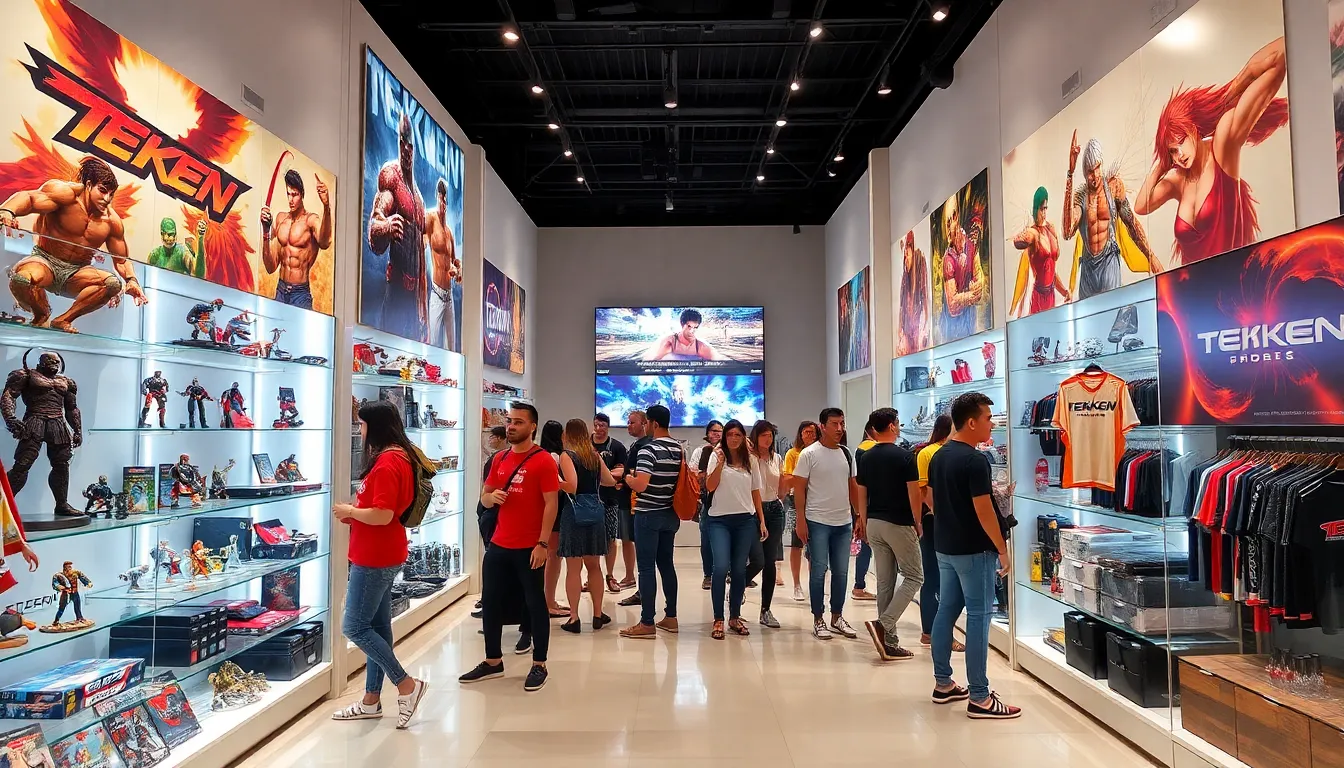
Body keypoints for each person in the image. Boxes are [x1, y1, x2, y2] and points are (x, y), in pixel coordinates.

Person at [1136, 38, 1288, 267]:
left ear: (1194, 129)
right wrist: (1163, 163)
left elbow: (1277, 58)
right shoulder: (1178, 179)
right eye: (1173, 151)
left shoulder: (1222, 148)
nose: (1180, 156)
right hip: (1189, 294)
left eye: (1181, 142)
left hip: (1231, 287)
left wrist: (1233, 88)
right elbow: (1141, 206)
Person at [332, 400, 431, 727]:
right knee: (376, 628)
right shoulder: (395, 457)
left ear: (373, 426)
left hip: (375, 556)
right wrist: (356, 514)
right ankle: (371, 700)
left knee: (355, 627)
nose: (359, 431)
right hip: (379, 551)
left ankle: (407, 685)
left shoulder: (389, 462)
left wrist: (350, 512)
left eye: (361, 425)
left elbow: (384, 514)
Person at [928, 393, 1019, 719]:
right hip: (974, 549)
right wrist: (1003, 549)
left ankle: (943, 683)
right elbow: (984, 511)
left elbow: (933, 499)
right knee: (979, 617)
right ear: (971, 422)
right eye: (988, 418)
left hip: (946, 546)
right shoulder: (975, 460)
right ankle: (980, 697)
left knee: (946, 611)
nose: (991, 423)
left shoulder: (939, 455)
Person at [461, 403, 558, 693]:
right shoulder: (500, 458)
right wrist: (491, 500)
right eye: (509, 421)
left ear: (532, 427)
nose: (511, 426)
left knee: (535, 603)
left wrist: (543, 543)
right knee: (490, 602)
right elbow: (485, 495)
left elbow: (551, 504)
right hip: (499, 544)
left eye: (518, 422)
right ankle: (493, 661)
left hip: (530, 546)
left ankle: (539, 664)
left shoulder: (542, 461)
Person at [0, 156, 148, 332]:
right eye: (102, 191)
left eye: (111, 194)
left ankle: (63, 320)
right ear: (88, 185)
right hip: (45, 261)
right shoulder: (65, 195)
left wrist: (131, 280)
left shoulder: (111, 221)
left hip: (77, 272)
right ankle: (41, 314)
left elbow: (121, 260)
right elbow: (30, 199)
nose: (107, 199)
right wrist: (7, 211)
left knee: (112, 284)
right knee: (21, 279)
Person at [855, 408, 923, 661]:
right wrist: (917, 521)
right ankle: (884, 624)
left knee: (885, 582)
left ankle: (889, 642)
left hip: (874, 521)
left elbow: (862, 491)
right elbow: (913, 492)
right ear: (893, 427)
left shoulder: (866, 457)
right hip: (899, 522)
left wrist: (862, 518)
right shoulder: (905, 456)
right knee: (915, 576)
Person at [1063, 131, 1160, 301]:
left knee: (1111, 313)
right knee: (1088, 321)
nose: (1095, 176)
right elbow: (1067, 231)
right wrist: (1070, 174)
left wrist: (1150, 256)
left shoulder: (1114, 187)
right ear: (1085, 173)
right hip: (1088, 268)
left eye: (1098, 168)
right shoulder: (1080, 196)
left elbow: (1131, 224)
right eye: (1090, 172)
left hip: (1109, 261)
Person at [792, 408, 859, 640]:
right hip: (817, 520)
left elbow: (852, 486)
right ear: (823, 426)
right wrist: (800, 519)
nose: (839, 429)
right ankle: (818, 617)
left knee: (841, 572)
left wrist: (859, 516)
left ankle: (837, 615)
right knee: (819, 571)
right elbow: (799, 489)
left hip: (843, 522)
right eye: (834, 424)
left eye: (842, 423)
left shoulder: (846, 453)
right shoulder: (809, 454)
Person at [619, 404, 682, 639]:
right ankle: (671, 617)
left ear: (653, 424)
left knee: (645, 568)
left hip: (647, 514)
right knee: (666, 564)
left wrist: (627, 477)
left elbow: (641, 484)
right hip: (670, 514)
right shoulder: (678, 448)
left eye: (646, 423)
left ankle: (647, 623)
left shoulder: (649, 449)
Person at [702, 420, 766, 639]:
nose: (733, 439)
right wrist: (720, 463)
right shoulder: (716, 456)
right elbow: (710, 486)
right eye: (730, 435)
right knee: (720, 567)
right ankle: (718, 618)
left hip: (745, 520)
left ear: (743, 437)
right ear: (724, 437)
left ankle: (734, 616)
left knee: (739, 570)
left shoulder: (752, 461)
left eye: (738, 435)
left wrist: (761, 519)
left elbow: (756, 491)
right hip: (719, 520)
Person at [368, 113, 429, 342]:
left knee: (410, 362)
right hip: (395, 287)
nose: (405, 148)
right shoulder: (391, 177)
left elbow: (421, 259)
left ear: (414, 148)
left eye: (409, 144)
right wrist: (386, 226)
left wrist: (423, 303)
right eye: (401, 142)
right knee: (388, 349)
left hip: (413, 297)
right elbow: (374, 225)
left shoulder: (420, 201)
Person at [558, 420, 616, 633]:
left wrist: (555, 480)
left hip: (574, 514)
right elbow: (609, 481)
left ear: (567, 434)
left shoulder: (567, 456)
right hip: (595, 514)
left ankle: (574, 618)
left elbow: (571, 486)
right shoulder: (594, 455)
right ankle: (598, 614)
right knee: (594, 566)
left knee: (573, 569)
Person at [916, 415, 962, 652]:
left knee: (938, 578)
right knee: (937, 578)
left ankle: (933, 632)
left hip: (942, 521)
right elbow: (924, 491)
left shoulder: (949, 452)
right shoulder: (929, 453)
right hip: (936, 521)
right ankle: (933, 632)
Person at [260, 169, 331, 310]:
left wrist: (326, 206)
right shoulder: (281, 219)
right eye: (288, 194)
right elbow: (270, 267)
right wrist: (266, 231)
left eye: (295, 195)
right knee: (275, 331)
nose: (291, 200)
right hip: (280, 291)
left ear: (302, 195)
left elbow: (324, 242)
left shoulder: (311, 220)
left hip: (300, 294)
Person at [747, 420, 786, 628]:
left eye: (770, 435)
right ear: (756, 436)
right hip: (753, 510)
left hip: (775, 509)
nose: (768, 439)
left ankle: (765, 609)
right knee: (757, 559)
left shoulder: (777, 458)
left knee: (770, 561)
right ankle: (737, 585)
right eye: (763, 435)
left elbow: (780, 488)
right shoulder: (749, 458)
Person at [1010, 187, 1068, 318]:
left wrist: (1064, 292)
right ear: (1035, 209)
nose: (1043, 213)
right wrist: (1021, 238)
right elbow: (1018, 241)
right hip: (1038, 296)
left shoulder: (1051, 229)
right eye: (1041, 209)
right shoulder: (1033, 233)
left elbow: (1051, 270)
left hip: (1051, 294)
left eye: (1045, 208)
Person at [939, 192, 987, 344]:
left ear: (956, 217)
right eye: (946, 224)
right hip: (952, 328)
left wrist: (977, 287)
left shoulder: (971, 247)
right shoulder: (948, 259)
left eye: (950, 222)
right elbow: (952, 304)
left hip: (969, 323)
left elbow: (979, 280)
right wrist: (970, 295)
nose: (949, 229)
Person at [592, 413, 631, 592]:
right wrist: (608, 475)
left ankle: (610, 575)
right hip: (588, 500)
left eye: (603, 425)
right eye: (596, 425)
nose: (599, 429)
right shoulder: (585, 445)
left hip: (610, 500)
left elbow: (620, 472)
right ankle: (592, 576)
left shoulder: (617, 447)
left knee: (610, 539)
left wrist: (599, 476)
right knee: (590, 539)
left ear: (608, 426)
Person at [617, 411, 651, 608]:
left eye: (632, 422)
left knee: (642, 548)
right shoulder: (636, 445)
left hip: (636, 504)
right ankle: (633, 580)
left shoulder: (644, 447)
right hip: (629, 502)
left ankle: (643, 591)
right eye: (627, 422)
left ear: (645, 423)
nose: (628, 426)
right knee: (629, 540)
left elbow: (636, 476)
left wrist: (625, 479)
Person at [783, 421, 818, 602]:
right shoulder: (793, 453)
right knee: (796, 544)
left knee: (814, 548)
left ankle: (814, 584)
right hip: (796, 500)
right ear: (800, 434)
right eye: (806, 432)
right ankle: (796, 584)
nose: (810, 435)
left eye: (813, 432)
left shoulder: (820, 452)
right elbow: (789, 478)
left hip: (816, 501)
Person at [425, 178, 461, 349]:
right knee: (432, 342)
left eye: (445, 201)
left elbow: (456, 263)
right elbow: (420, 241)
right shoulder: (430, 219)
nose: (443, 204)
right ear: (437, 197)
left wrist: (457, 270)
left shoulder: (449, 232)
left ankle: (448, 376)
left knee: (451, 346)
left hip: (449, 296)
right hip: (437, 293)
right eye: (441, 199)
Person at [538, 421, 569, 618]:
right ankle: (548, 601)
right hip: (554, 510)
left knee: (550, 556)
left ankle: (548, 599)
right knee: (553, 556)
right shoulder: (557, 457)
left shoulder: (539, 455)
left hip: (542, 509)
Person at [690, 421, 724, 590]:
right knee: (706, 540)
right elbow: (693, 474)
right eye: (713, 431)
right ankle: (708, 575)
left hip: (728, 501)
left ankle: (731, 572)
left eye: (720, 431)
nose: (717, 434)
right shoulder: (701, 451)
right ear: (707, 433)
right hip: (707, 501)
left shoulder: (730, 452)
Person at [851, 425, 877, 602]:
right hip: (870, 505)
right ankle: (859, 586)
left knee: (866, 547)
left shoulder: (859, 450)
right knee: (867, 547)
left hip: (863, 505)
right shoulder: (870, 449)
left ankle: (859, 585)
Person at [896, 230, 930, 355]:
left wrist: (924, 328)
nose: (905, 259)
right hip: (908, 332)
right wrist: (901, 334)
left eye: (907, 254)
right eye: (904, 256)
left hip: (917, 330)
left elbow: (925, 299)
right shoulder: (905, 279)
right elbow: (901, 306)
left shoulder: (920, 263)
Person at [645, 309, 721, 361]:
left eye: (695, 327)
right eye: (689, 326)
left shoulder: (701, 347)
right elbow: (653, 363)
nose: (692, 331)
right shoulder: (669, 343)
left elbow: (720, 365)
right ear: (682, 324)